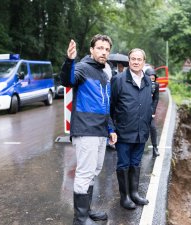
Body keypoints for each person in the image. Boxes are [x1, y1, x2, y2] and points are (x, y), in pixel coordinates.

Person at [60, 34, 117, 225]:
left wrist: (111, 128)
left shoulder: (104, 73)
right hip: (86, 130)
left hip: (101, 131)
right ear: (92, 50)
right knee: (85, 173)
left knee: (94, 171)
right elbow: (67, 80)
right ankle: (80, 218)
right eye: (100, 48)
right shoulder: (83, 68)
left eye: (107, 49)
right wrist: (69, 60)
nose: (104, 52)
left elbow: (105, 105)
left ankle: (87, 211)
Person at [110, 48, 152, 210]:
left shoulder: (148, 81)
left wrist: (148, 121)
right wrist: (112, 128)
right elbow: (111, 107)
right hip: (124, 132)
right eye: (133, 59)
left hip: (141, 132)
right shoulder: (118, 80)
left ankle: (134, 193)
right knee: (123, 164)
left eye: (139, 59)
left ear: (143, 62)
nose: (136, 62)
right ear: (129, 61)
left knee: (136, 163)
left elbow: (149, 103)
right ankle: (125, 196)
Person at [145, 67, 160, 157]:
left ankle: (155, 148)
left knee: (153, 128)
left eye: (153, 78)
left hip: (150, 110)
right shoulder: (142, 84)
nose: (152, 80)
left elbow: (156, 98)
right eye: (150, 78)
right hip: (140, 110)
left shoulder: (156, 85)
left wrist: (153, 111)